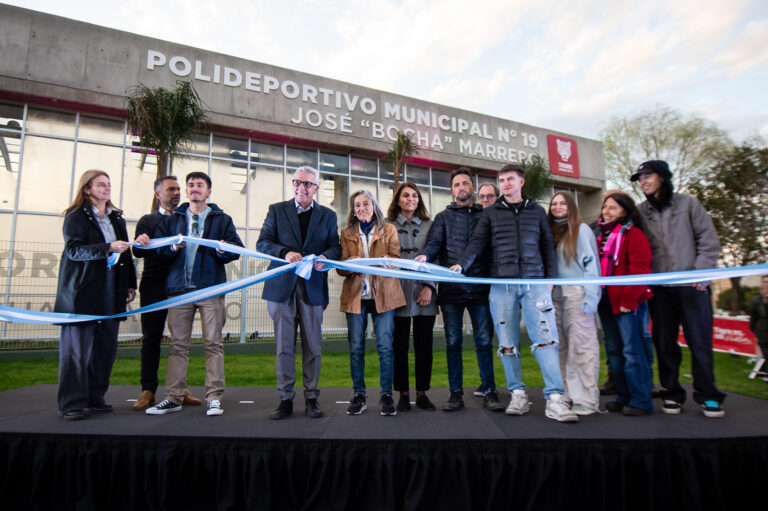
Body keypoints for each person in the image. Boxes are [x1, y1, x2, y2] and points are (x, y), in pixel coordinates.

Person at [453, 164, 577, 422]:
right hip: (502, 286)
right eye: (502, 180)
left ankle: (555, 398)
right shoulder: (491, 214)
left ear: (521, 182)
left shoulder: (537, 211)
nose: (506, 183)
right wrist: (461, 264)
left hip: (535, 285)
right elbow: (477, 243)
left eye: (510, 179)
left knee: (546, 341)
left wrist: (550, 278)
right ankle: (518, 394)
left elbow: (546, 245)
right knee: (507, 345)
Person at [632, 160, 726, 418]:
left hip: (692, 287)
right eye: (640, 178)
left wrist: (701, 273)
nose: (643, 181)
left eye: (647, 176)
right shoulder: (640, 212)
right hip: (660, 289)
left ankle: (709, 396)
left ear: (662, 177)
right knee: (664, 343)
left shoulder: (688, 204)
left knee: (699, 343)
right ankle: (671, 393)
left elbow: (708, 240)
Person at [146, 172, 243, 417]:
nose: (194, 189)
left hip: (210, 288)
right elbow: (158, 253)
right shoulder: (173, 220)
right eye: (191, 185)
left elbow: (236, 250)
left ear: (209, 192)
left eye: (200, 185)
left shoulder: (222, 219)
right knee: (178, 345)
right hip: (179, 290)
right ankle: (174, 397)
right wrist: (171, 247)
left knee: (213, 344)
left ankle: (214, 397)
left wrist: (223, 251)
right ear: (187, 192)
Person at [54, 169, 140, 420]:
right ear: (87, 189)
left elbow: (125, 253)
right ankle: (72, 403)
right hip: (82, 294)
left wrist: (130, 284)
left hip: (112, 292)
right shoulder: (75, 216)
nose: (106, 188)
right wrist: (106, 248)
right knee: (76, 352)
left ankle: (96, 396)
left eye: (108, 184)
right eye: (100, 185)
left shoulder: (117, 218)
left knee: (105, 349)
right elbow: (74, 250)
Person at [416, 167, 503, 412]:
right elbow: (433, 244)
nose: (461, 188)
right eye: (457, 184)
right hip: (451, 291)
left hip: (480, 289)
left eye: (465, 183)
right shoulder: (442, 218)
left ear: (473, 188)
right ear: (452, 190)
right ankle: (456, 394)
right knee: (453, 342)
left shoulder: (485, 216)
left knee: (484, 341)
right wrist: (424, 255)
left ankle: (490, 390)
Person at [257, 166, 341, 420]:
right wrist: (284, 253)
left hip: (313, 288)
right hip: (281, 288)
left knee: (313, 347)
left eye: (307, 184)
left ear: (316, 188)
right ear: (293, 185)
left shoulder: (328, 215)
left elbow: (335, 247)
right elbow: (262, 242)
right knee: (284, 347)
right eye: (297, 183)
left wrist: (326, 257)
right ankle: (285, 399)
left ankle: (312, 398)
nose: (301, 188)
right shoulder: (276, 210)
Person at [131, 176, 202, 410]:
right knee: (151, 338)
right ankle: (148, 390)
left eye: (179, 189)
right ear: (157, 194)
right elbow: (139, 252)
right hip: (153, 284)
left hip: (181, 285)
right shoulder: (147, 221)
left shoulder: (188, 219)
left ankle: (179, 390)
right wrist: (142, 243)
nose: (177, 193)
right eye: (171, 189)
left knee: (180, 340)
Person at [338, 190, 406, 416]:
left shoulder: (389, 229)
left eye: (365, 203)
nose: (361, 208)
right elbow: (339, 268)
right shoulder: (346, 233)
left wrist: (389, 263)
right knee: (356, 348)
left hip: (384, 297)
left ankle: (386, 396)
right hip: (356, 297)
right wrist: (350, 264)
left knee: (386, 348)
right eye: (357, 205)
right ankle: (359, 395)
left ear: (373, 205)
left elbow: (397, 261)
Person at [595, 192, 654, 416]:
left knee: (632, 351)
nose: (606, 212)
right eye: (605, 207)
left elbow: (640, 268)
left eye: (613, 208)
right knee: (614, 351)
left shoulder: (634, 234)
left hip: (628, 302)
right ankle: (622, 396)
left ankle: (641, 400)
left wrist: (629, 300)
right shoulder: (600, 235)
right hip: (607, 301)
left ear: (625, 211)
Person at [547, 191, 602, 415]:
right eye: (554, 203)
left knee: (582, 346)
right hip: (553, 293)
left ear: (571, 207)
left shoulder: (581, 230)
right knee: (558, 346)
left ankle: (586, 398)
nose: (558, 207)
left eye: (562, 203)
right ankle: (565, 393)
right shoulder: (549, 232)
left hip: (576, 292)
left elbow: (592, 266)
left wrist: (591, 296)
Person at [385, 181, 438, 412]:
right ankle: (403, 394)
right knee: (399, 346)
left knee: (424, 345)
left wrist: (429, 286)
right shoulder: (387, 225)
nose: (410, 199)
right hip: (397, 292)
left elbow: (436, 254)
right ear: (398, 199)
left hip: (424, 291)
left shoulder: (430, 224)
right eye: (406, 196)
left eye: (415, 196)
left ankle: (422, 393)